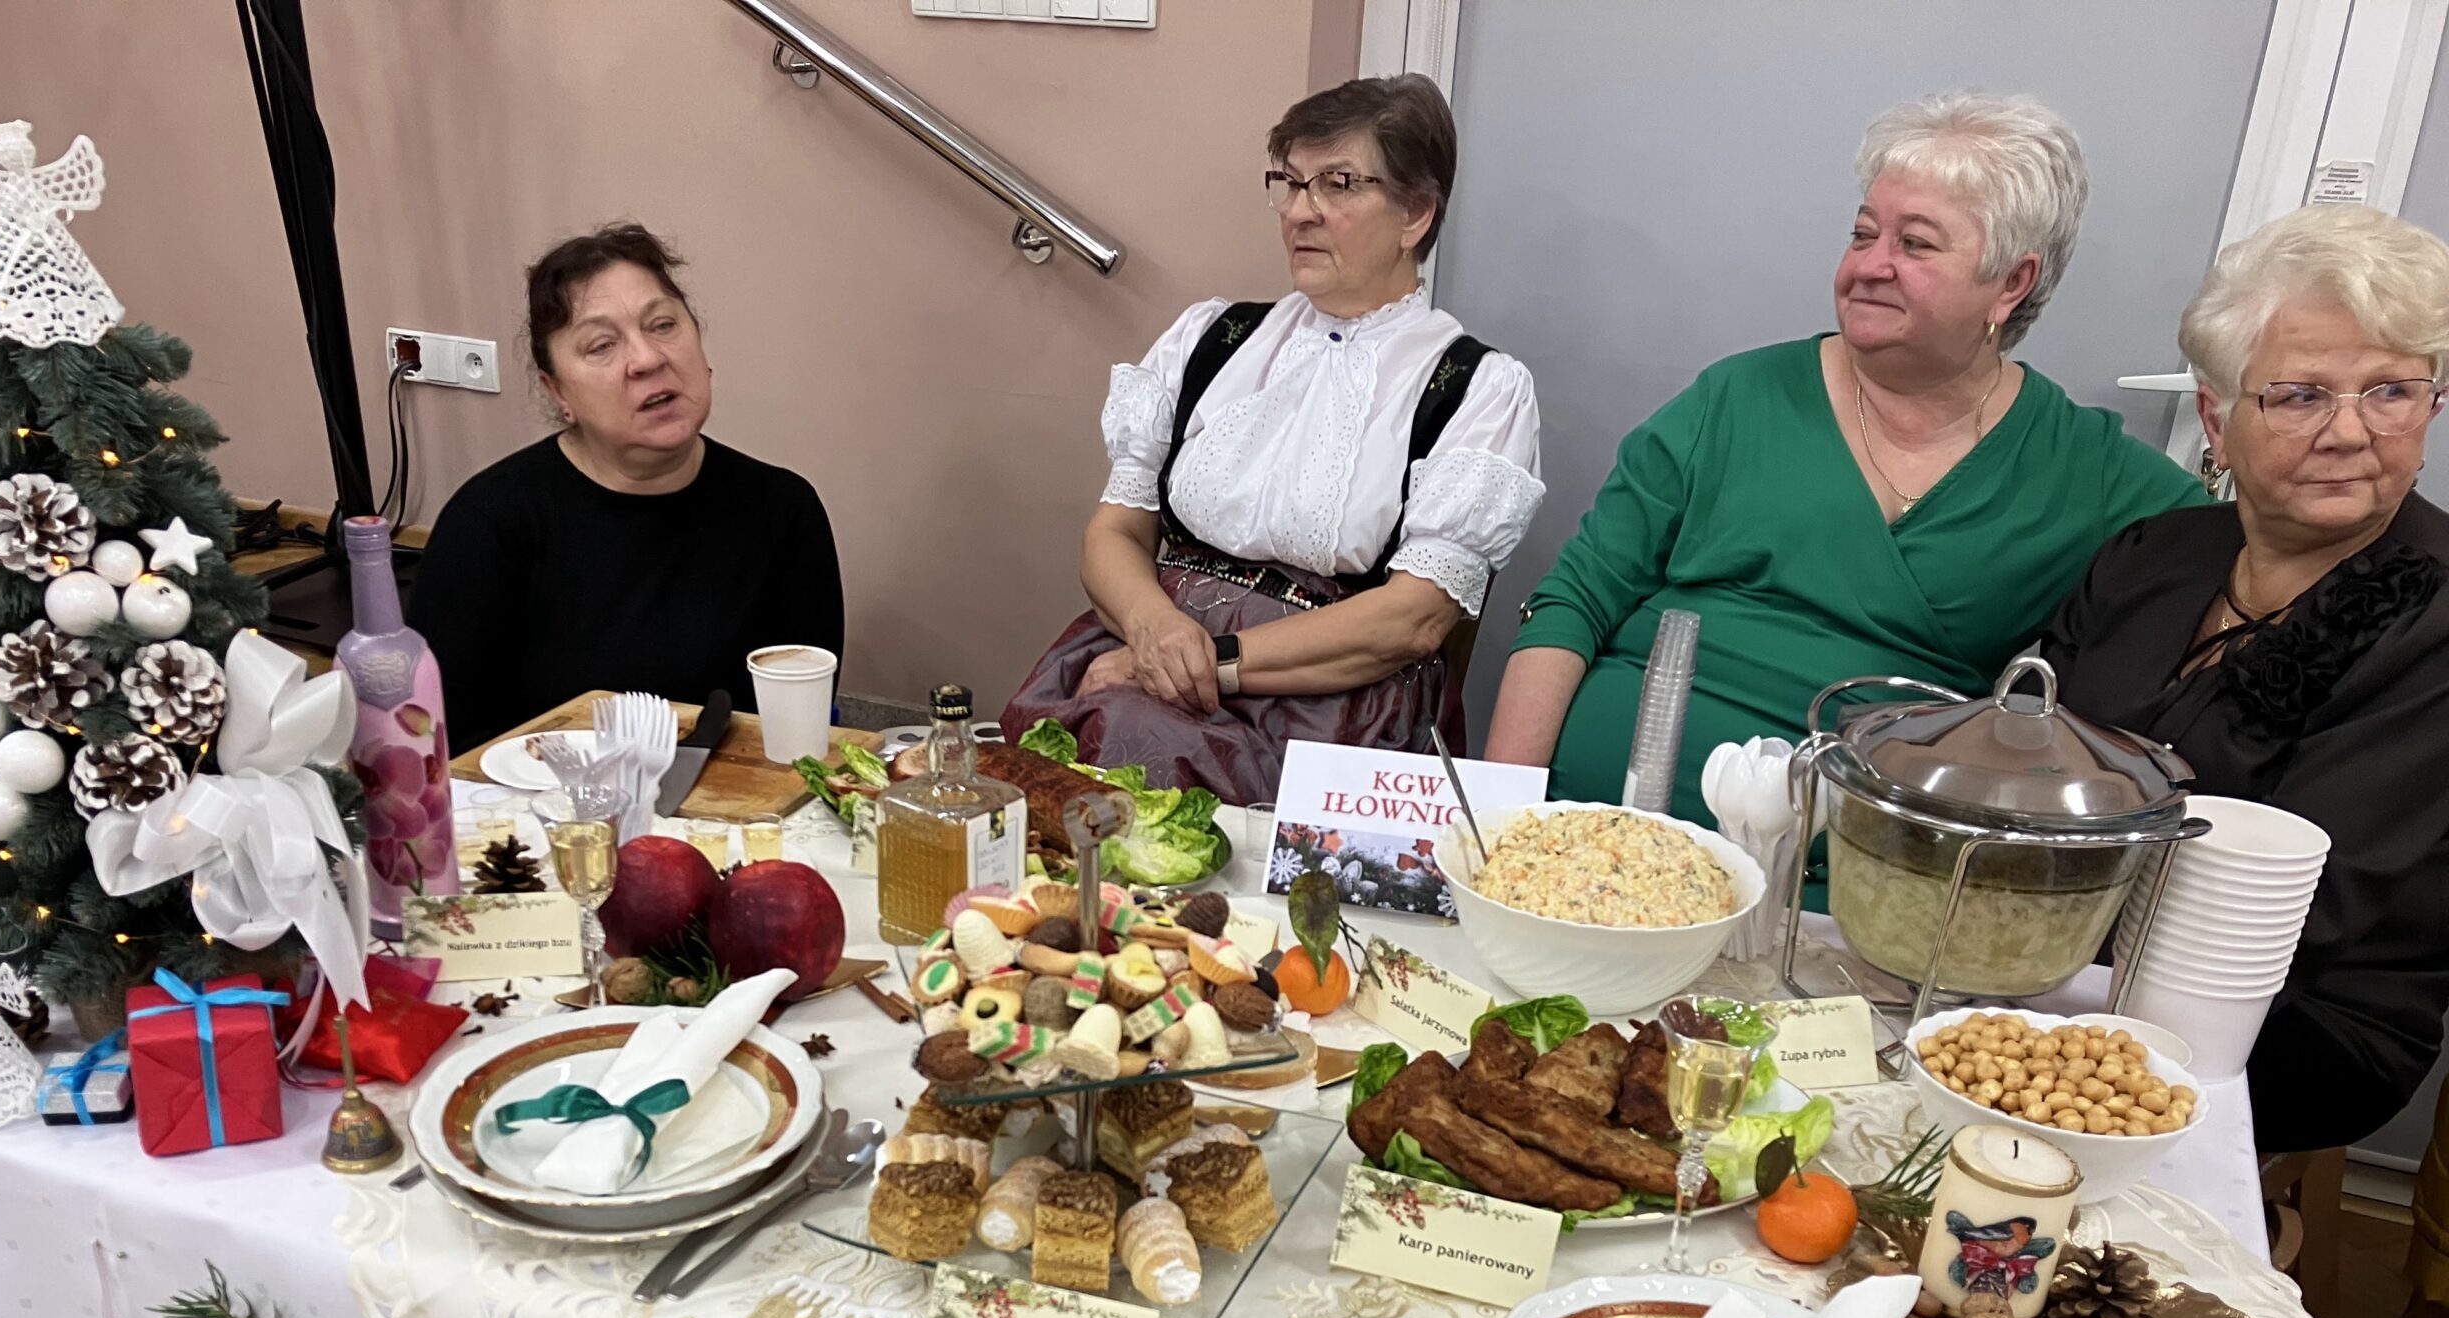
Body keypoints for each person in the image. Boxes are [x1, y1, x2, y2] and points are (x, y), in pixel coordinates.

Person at [1483, 94, 2206, 824]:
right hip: (1597, 819)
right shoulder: (1734, 398)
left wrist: (2253, 404)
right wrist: (1503, 821)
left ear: (2011, 283)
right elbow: (1575, 601)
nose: (1870, 265)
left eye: (1915, 244)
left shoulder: (2086, 472)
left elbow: (2246, 555)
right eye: (1863, 234)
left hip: (1862, 856)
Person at [1001, 75, 1543, 800]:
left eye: (1337, 185)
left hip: (1330, 708)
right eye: (1289, 182)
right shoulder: (1212, 338)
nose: (1298, 212)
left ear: (1415, 212)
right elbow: (1116, 530)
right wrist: (1151, 628)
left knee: (1112, 762)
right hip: (1145, 652)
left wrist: (1200, 662)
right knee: (1030, 774)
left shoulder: (1477, 387)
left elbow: (1412, 620)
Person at [2036, 204, 2449, 1151]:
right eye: (2300, 395)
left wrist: (2029, 917)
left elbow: (2305, 910)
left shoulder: (2437, 619)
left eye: (2391, 391)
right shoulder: (2152, 555)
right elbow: (2022, 742)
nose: (2350, 431)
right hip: (2060, 943)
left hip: (2301, 1011)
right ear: (2217, 420)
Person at [409, 223, 843, 752]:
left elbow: (798, 727)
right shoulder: (488, 525)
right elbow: (445, 742)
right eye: (601, 345)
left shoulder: (783, 510)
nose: (648, 359)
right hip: (540, 799)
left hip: (737, 798)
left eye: (663, 325)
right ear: (557, 391)